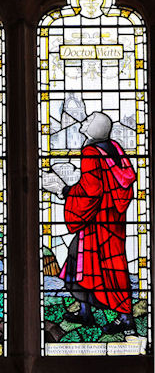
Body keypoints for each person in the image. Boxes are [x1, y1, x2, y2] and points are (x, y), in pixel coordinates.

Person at [44, 111, 136, 334]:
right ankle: (86, 313)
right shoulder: (115, 150)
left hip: (97, 221)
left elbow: (90, 190)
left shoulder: (91, 152)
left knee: (107, 268)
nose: (82, 122)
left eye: (87, 120)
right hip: (111, 219)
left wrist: (62, 190)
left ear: (94, 129)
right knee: (81, 262)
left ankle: (125, 319)